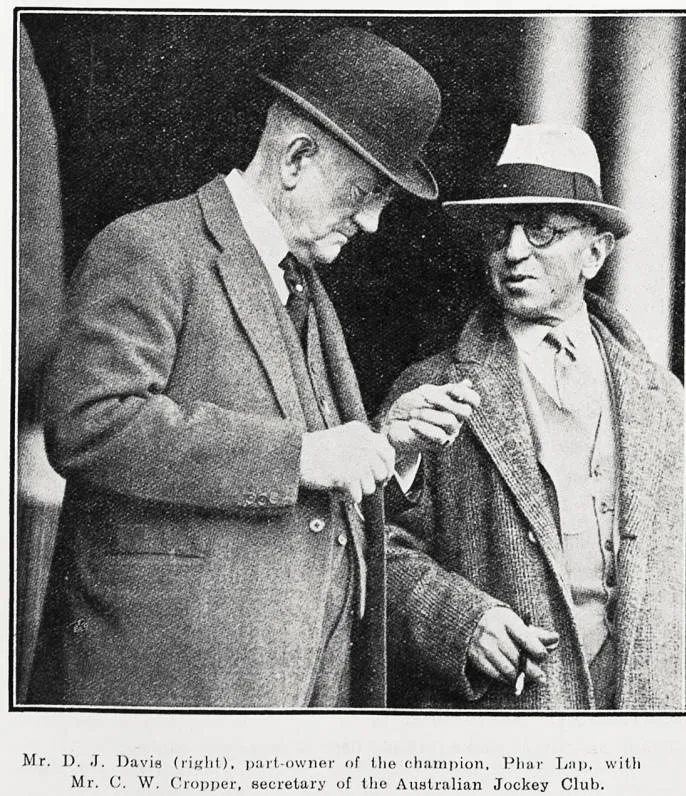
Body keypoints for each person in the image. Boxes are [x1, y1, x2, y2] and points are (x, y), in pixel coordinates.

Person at [27, 27, 447, 709]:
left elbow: (316, 472)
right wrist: (303, 456)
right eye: (364, 192)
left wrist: (384, 441)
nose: (370, 223)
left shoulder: (306, 287)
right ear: (297, 158)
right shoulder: (149, 247)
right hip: (171, 701)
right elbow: (87, 423)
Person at [381, 123, 684, 710]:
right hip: (509, 712)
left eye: (542, 230)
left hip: (647, 710)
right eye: (501, 231)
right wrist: (461, 622)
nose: (514, 250)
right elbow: (369, 551)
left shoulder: (663, 400)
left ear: (596, 252)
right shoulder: (430, 389)